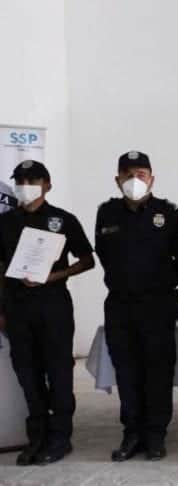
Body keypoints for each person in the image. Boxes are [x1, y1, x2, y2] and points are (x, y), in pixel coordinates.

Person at [95, 151, 178, 461]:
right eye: (127, 174)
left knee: (157, 371)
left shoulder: (169, 213)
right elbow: (104, 255)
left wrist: (168, 288)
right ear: (117, 179)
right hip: (120, 305)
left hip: (158, 304)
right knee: (126, 371)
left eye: (141, 174)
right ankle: (132, 433)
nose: (134, 180)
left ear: (152, 178)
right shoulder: (107, 213)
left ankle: (155, 435)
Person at [0, 160, 95, 465]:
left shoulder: (63, 219)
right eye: (21, 180)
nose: (26, 185)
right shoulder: (5, 222)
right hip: (17, 308)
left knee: (59, 372)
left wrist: (52, 276)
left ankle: (60, 437)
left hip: (53, 305)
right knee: (27, 373)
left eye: (33, 179)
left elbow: (87, 260)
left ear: (47, 184)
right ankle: (37, 436)